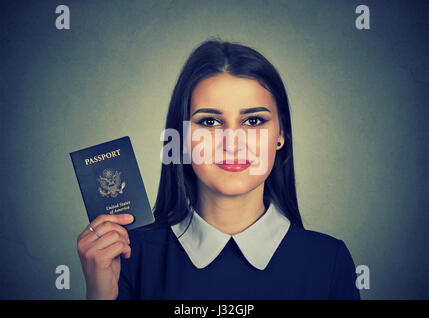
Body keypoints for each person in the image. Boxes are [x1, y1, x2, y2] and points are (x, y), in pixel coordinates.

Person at [77, 39, 361, 300]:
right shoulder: (127, 256)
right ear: (182, 136)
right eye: (210, 122)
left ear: (281, 134)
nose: (232, 143)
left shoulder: (329, 261)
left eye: (253, 122)